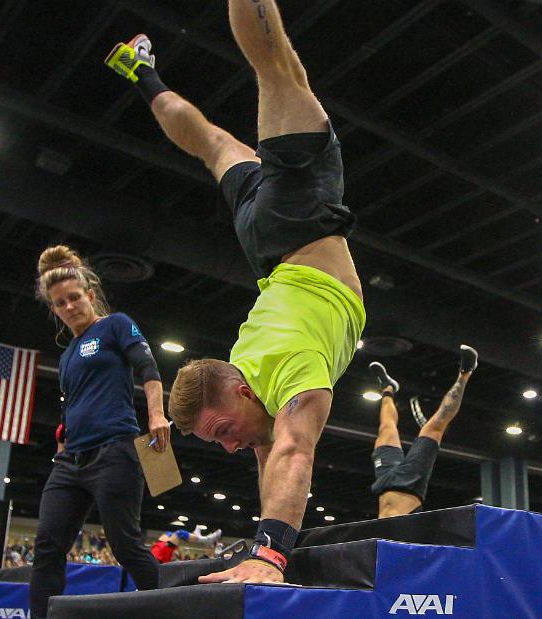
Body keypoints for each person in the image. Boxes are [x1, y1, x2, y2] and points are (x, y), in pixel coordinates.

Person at [106, 0, 364, 585]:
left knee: (277, 68)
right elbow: (271, 455)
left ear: (242, 390)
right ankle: (140, 70)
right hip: (264, 240)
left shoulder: (294, 370)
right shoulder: (249, 389)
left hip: (298, 220)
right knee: (213, 144)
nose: (228, 446)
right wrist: (260, 545)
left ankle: (146, 70)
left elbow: (296, 452)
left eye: (220, 431)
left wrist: (272, 558)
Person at [29, 246, 167, 617]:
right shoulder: (66, 355)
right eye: (60, 303)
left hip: (114, 452)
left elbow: (148, 369)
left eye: (75, 298)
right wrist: (63, 436)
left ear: (90, 295)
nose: (70, 306)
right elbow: (73, 402)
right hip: (70, 462)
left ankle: (176, 609)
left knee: (125, 545)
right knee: (47, 546)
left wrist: (157, 415)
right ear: (54, 309)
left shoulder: (115, 325)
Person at [368, 346, 476, 518]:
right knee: (433, 428)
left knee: (386, 430)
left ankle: (387, 388)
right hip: (411, 482)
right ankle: (466, 372)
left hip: (384, 482)